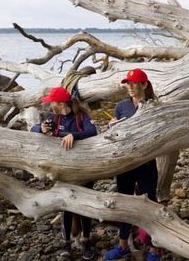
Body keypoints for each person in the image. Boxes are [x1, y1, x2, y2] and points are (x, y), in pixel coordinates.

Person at [30, 87, 97, 260]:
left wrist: (73, 135)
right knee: (65, 205)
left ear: (60, 103)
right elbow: (34, 129)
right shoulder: (54, 118)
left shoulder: (81, 116)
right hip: (63, 169)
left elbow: (92, 131)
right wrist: (42, 129)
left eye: (52, 102)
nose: (50, 105)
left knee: (83, 205)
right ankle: (66, 242)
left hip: (83, 168)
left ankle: (86, 240)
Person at [104, 68, 161, 261]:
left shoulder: (155, 105)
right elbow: (115, 134)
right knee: (124, 201)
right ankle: (123, 245)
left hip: (146, 162)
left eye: (134, 83)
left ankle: (155, 248)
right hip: (125, 163)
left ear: (144, 84)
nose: (130, 87)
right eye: (127, 83)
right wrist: (112, 126)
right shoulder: (121, 106)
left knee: (151, 202)